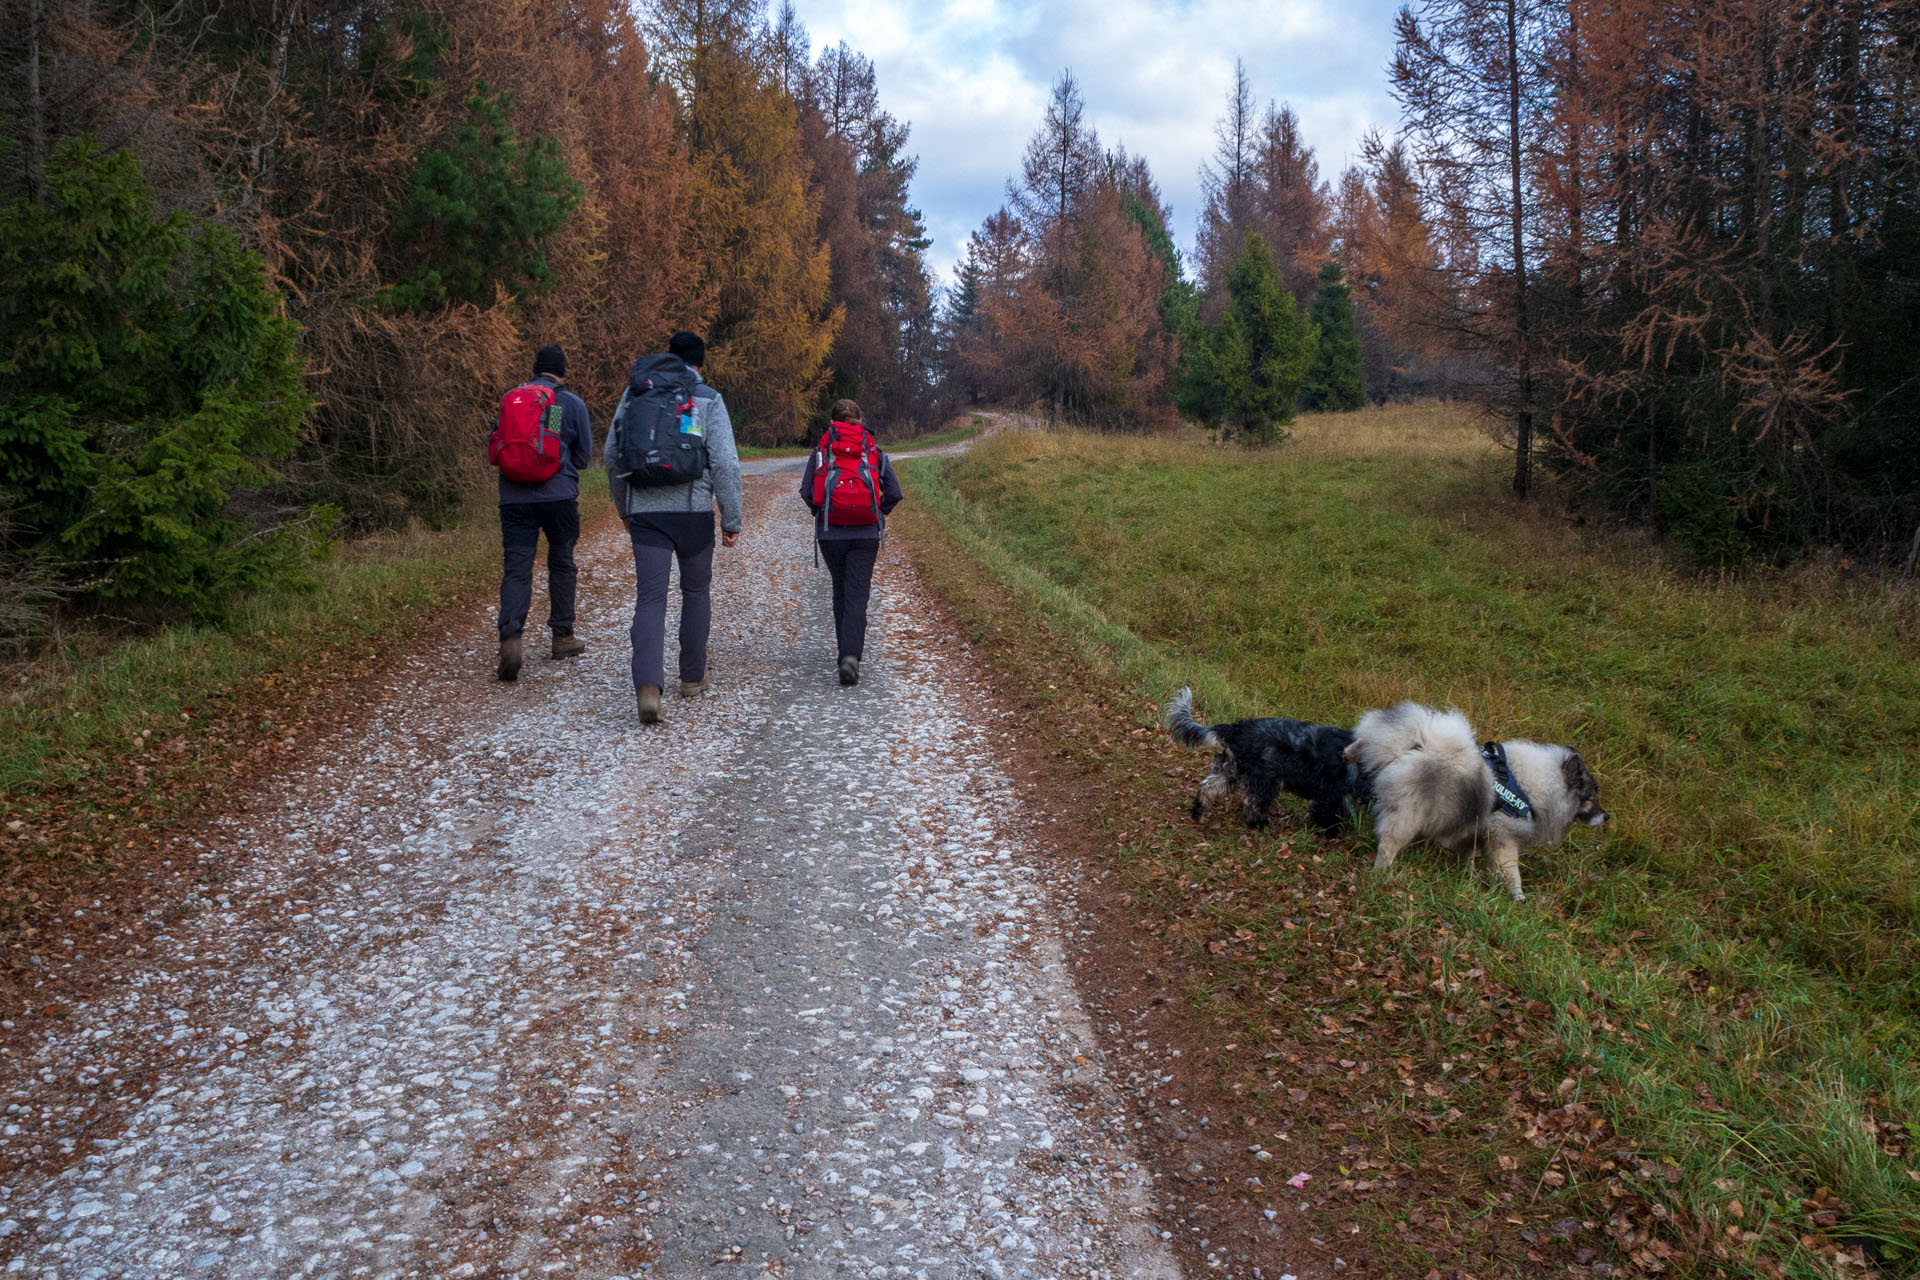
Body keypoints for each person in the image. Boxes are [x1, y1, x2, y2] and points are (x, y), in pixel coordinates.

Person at [606, 330, 742, 724]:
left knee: (650, 597)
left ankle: (648, 687)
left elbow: (613, 455)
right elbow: (726, 464)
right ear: (700, 363)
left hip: (647, 513)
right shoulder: (707, 399)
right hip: (694, 513)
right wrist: (730, 518)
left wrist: (624, 507)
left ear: (670, 357)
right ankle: (692, 677)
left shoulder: (636, 393)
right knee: (696, 590)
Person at [494, 345, 594, 682]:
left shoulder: (512, 398)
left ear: (534, 369)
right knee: (562, 561)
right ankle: (562, 637)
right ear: (563, 372)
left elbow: (494, 446)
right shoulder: (569, 403)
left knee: (517, 569)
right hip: (558, 496)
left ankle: (510, 641)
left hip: (514, 498)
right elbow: (582, 458)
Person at [798, 398, 902, 687]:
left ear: (832, 422)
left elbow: (807, 491)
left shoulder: (822, 450)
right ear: (860, 421)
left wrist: (821, 513)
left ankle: (845, 652)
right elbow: (893, 492)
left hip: (831, 533)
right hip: (866, 533)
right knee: (858, 593)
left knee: (841, 590)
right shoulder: (873, 450)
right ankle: (850, 657)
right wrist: (877, 514)